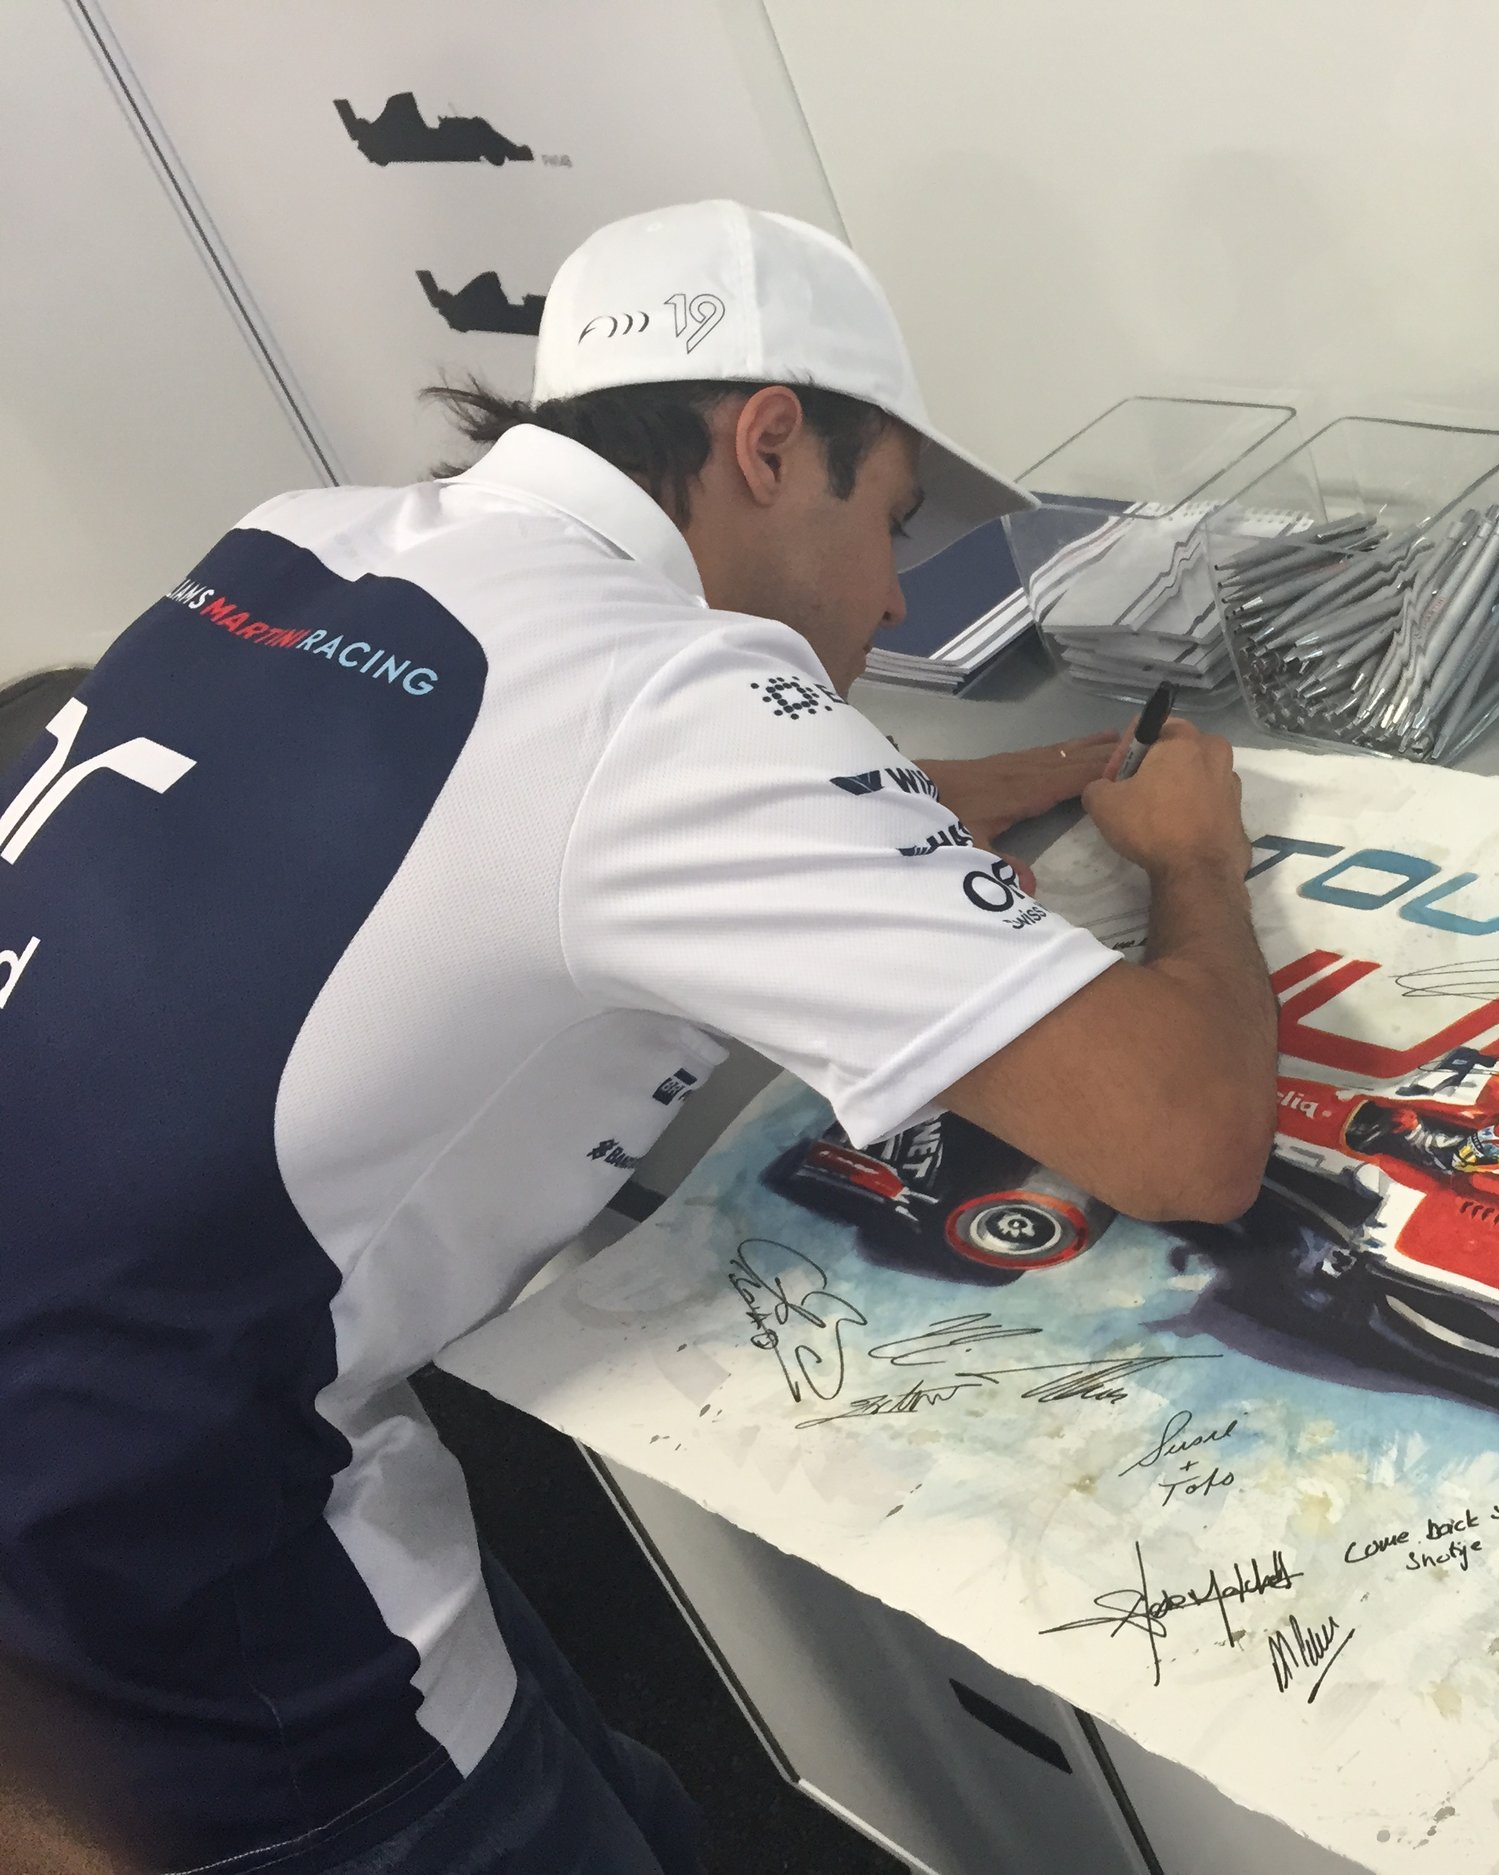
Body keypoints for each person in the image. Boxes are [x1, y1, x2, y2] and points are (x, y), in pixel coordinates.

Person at [0, 200, 1277, 1874]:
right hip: (175, 1580)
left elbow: (531, 813)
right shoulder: (665, 701)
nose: (896, 602)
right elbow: (1187, 1143)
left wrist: (1016, 780)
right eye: (892, 522)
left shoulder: (306, 538)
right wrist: (1196, 864)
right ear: (766, 441)